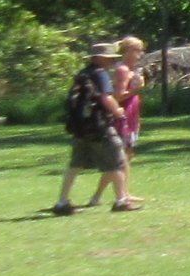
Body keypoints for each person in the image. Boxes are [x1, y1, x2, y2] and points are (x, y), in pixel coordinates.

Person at [52, 42, 139, 215]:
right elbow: (106, 98)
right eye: (108, 58)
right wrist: (117, 111)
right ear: (100, 58)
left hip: (80, 127)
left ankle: (62, 202)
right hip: (100, 126)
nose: (111, 62)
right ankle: (121, 200)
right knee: (118, 159)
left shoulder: (83, 74)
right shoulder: (101, 74)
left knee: (75, 164)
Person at [114, 35, 147, 157]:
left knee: (129, 152)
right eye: (138, 50)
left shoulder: (132, 70)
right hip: (123, 116)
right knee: (123, 154)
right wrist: (137, 89)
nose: (141, 54)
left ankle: (123, 176)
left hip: (132, 115)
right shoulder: (123, 70)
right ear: (128, 51)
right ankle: (118, 176)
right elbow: (118, 96)